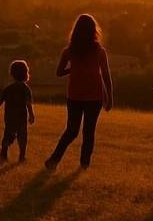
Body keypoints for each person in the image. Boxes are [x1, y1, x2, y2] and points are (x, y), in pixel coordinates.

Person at [44, 14, 113, 171]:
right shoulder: (100, 51)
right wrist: (110, 98)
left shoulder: (69, 51)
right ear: (93, 31)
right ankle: (84, 165)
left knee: (71, 131)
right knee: (89, 132)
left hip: (74, 96)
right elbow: (106, 76)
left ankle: (53, 160)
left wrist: (73, 68)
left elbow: (59, 72)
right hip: (95, 97)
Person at [0, 59, 36, 163]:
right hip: (21, 117)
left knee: (8, 134)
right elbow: (28, 104)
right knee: (22, 137)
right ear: (26, 73)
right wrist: (32, 115)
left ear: (12, 74)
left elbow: (0, 99)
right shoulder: (26, 89)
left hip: (9, 116)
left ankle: (3, 154)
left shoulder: (9, 88)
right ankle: (21, 156)